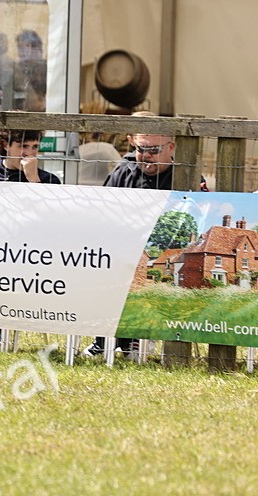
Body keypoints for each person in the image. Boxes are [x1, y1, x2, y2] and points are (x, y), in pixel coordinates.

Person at [85, 111, 174, 357]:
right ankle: (104, 339)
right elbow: (105, 211)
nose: (146, 156)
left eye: (153, 150)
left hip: (159, 252)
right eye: (140, 149)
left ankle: (137, 339)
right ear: (131, 141)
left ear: (171, 147)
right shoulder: (124, 170)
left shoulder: (185, 175)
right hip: (123, 249)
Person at [0, 128, 61, 350]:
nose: (29, 153)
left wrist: (33, 180)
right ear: (6, 145)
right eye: (23, 146)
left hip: (29, 260)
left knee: (3, 273)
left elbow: (50, 223)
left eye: (35, 147)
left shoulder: (48, 181)